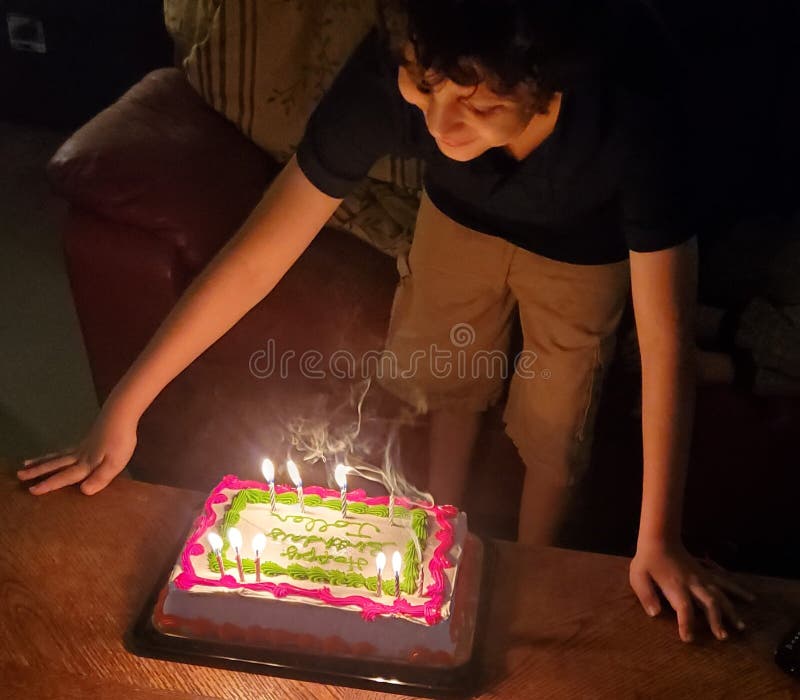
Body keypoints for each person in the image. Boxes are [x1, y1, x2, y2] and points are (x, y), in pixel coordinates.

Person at [19, 0, 752, 642]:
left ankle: (537, 569)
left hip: (586, 252)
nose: (436, 125)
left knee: (556, 422)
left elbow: (663, 339)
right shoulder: (406, 61)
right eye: (423, 88)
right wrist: (126, 404)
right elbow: (257, 255)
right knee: (441, 378)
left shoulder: (634, 106)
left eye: (478, 104)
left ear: (550, 78)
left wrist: (659, 538)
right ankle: (442, 534)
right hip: (457, 221)